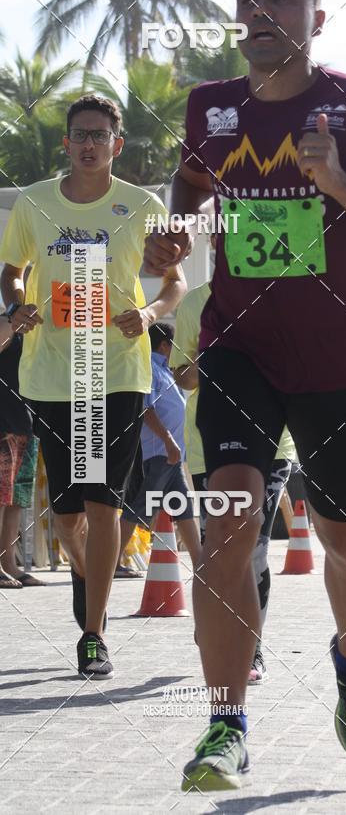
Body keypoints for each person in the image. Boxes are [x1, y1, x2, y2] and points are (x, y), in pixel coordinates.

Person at [144, 0, 346, 790]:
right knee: (232, 519)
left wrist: (339, 182)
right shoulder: (212, 108)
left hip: (340, 362)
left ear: (317, 16)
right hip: (241, 347)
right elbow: (190, 184)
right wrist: (176, 230)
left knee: (345, 540)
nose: (264, 11)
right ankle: (224, 726)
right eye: (250, 0)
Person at [0, 95, 186, 679]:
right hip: (54, 372)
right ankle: (90, 576)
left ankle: (94, 634)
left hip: (118, 372)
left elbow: (173, 280)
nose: (88, 143)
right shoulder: (34, 203)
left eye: (99, 135)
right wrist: (20, 301)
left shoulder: (141, 204)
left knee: (104, 504)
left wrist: (151, 314)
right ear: (66, 143)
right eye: (79, 134)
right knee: (66, 517)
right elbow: (11, 269)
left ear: (116, 144)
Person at [170, 279, 295, 684]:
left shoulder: (285, 293)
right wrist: (220, 358)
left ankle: (250, 646)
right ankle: (213, 624)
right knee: (217, 547)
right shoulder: (195, 302)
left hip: (273, 445)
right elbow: (183, 377)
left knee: (254, 546)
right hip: (211, 445)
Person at [119, 321, 202, 571]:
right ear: (165, 345)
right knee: (140, 508)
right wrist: (168, 441)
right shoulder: (151, 369)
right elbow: (147, 410)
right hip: (161, 452)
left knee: (184, 504)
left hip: (171, 454)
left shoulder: (166, 370)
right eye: (175, 345)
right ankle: (110, 561)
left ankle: (201, 562)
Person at [0, 316, 43, 587]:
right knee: (1, 496)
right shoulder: (6, 322)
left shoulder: (38, 331)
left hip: (25, 423)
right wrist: (11, 318)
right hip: (3, 422)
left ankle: (9, 563)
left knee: (17, 499)